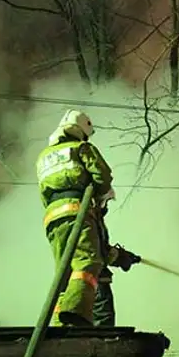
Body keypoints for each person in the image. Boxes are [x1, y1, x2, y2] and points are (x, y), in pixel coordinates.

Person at [35, 109, 140, 327]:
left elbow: (98, 249)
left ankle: (58, 323)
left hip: (53, 218)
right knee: (86, 263)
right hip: (76, 212)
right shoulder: (82, 148)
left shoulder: (44, 157)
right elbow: (103, 175)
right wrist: (101, 192)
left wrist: (122, 257)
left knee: (63, 272)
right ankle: (75, 311)